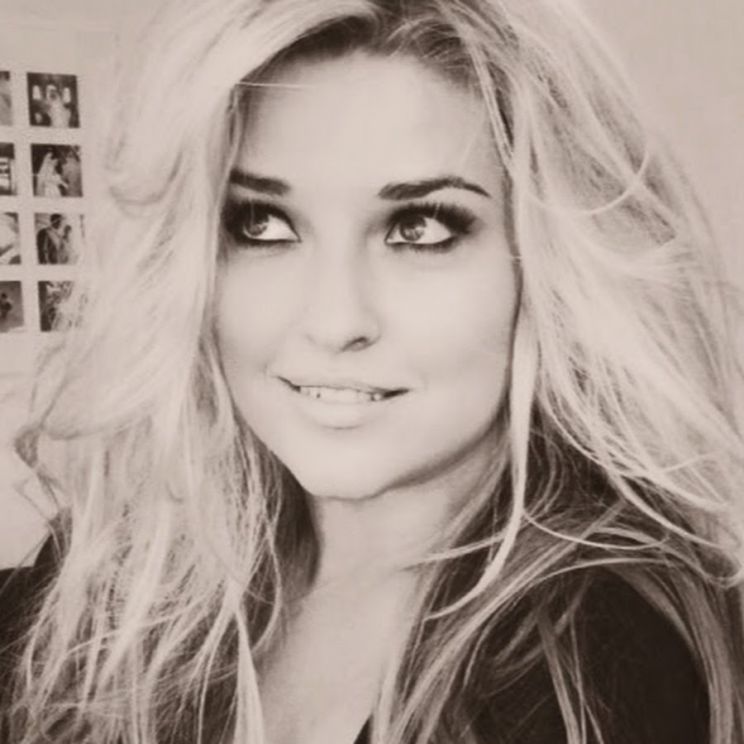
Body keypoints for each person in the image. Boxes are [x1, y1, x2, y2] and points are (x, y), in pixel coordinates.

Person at [1, 0, 743, 742]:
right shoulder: (112, 587)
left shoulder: (610, 661)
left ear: (547, 263)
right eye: (261, 224)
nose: (334, 321)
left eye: (418, 228)